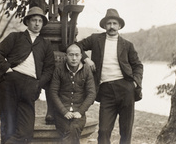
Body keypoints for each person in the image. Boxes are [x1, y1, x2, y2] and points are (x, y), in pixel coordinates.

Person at [77, 8, 143, 144]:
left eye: (114, 23)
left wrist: (135, 83)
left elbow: (138, 66)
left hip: (126, 88)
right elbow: (76, 46)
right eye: (109, 23)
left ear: (119, 26)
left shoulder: (127, 45)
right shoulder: (96, 39)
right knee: (104, 131)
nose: (112, 26)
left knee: (126, 131)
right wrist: (86, 59)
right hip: (105, 89)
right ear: (104, 25)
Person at [0, 6, 55, 144]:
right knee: (8, 126)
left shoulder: (45, 44)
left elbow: (49, 69)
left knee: (26, 133)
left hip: (30, 86)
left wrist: (38, 84)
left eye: (40, 21)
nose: (37, 24)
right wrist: (7, 70)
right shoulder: (15, 37)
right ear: (27, 22)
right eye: (34, 20)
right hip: (10, 82)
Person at [50, 43, 96, 144]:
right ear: (66, 56)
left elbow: (91, 93)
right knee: (67, 129)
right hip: (61, 113)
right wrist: (64, 111)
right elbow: (53, 92)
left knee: (74, 128)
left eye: (77, 55)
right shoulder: (59, 69)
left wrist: (80, 111)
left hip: (79, 112)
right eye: (71, 55)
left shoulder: (86, 70)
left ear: (81, 56)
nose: (74, 58)